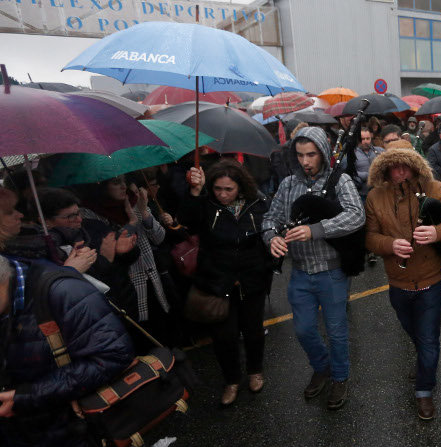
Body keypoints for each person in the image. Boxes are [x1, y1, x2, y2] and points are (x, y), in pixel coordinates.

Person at [0, 256, 154, 447]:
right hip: (35, 436)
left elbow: (113, 354)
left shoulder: (61, 291)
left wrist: (26, 397)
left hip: (86, 432)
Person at [364, 147, 441, 420]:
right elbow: (369, 237)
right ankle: (425, 359)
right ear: (385, 169)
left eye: (406, 166)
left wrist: (438, 231)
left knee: (428, 338)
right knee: (413, 331)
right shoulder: (375, 197)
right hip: (397, 282)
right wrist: (389, 245)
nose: (400, 171)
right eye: (394, 167)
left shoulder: (432, 187)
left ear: (415, 166)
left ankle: (424, 391)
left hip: (431, 280)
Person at [262, 127, 365, 409]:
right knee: (304, 330)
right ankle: (322, 367)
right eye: (300, 155)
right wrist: (271, 238)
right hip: (300, 272)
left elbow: (357, 216)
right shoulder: (287, 184)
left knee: (336, 331)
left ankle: (340, 377)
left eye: (311, 154)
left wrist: (316, 229)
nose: (305, 161)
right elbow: (270, 218)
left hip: (331, 272)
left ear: (322, 153)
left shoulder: (339, 180)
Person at [179, 160, 272, 406]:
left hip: (251, 280)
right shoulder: (205, 205)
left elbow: (270, 233)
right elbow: (187, 222)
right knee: (224, 336)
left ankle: (255, 371)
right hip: (218, 283)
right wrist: (195, 192)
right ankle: (231, 380)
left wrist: (268, 264)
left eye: (228, 189)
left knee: (253, 331)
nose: (222, 194)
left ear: (240, 188)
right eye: (218, 188)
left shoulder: (258, 204)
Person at [81, 176, 171, 347]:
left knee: (162, 331)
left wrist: (144, 212)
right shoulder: (91, 213)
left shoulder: (135, 202)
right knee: (141, 336)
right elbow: (109, 249)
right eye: (116, 183)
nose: (123, 187)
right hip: (125, 285)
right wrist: (130, 224)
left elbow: (159, 238)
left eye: (124, 182)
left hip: (152, 279)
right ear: (101, 186)